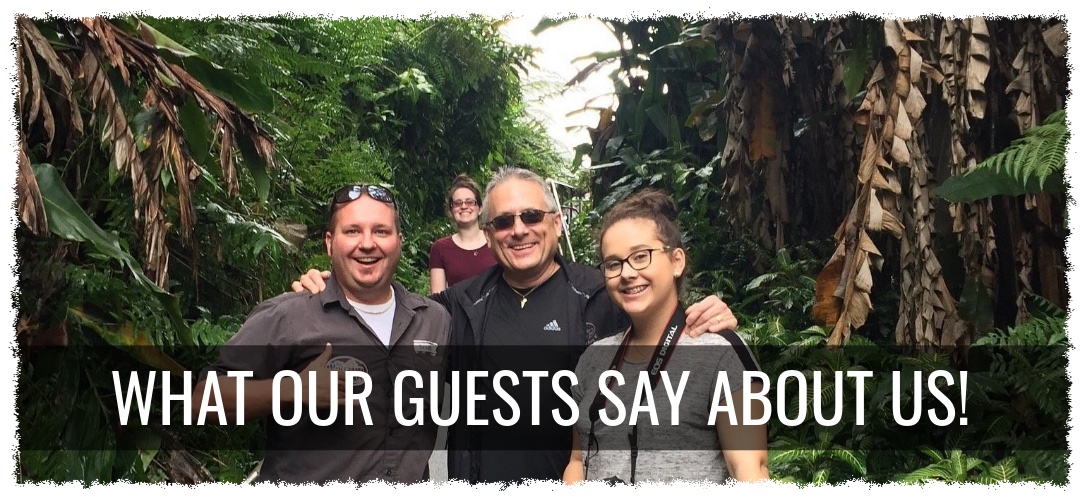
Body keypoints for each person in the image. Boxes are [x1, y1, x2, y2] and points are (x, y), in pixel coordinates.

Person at [291, 166, 739, 484]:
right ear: (488, 234)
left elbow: (660, 315)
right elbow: (387, 322)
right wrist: (331, 289)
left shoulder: (602, 296)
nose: (518, 230)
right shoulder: (458, 306)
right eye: (504, 221)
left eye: (531, 216)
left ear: (556, 223)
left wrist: (705, 317)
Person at [193, 184, 451, 484]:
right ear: (330, 243)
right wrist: (291, 389)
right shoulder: (290, 315)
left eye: (381, 231)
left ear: (399, 242)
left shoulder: (434, 321)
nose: (367, 244)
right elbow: (202, 401)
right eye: (352, 231)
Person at [562, 188, 769, 484]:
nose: (627, 273)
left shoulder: (719, 352)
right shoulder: (593, 359)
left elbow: (750, 471)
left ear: (676, 261)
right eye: (613, 264)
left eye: (640, 256)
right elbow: (577, 461)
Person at [429, 174, 497, 293]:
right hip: (456, 306)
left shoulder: (495, 240)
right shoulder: (440, 248)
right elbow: (437, 298)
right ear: (451, 211)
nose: (464, 206)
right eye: (458, 203)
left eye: (470, 202)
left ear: (480, 208)